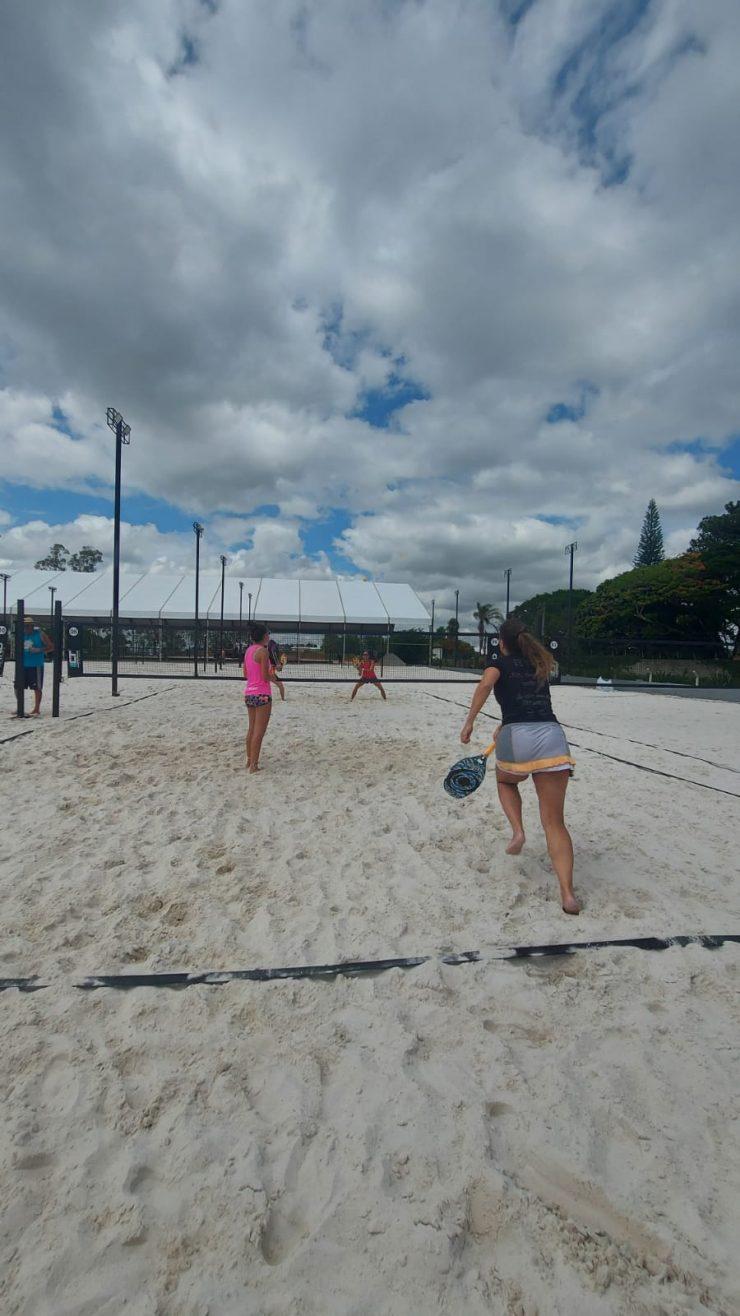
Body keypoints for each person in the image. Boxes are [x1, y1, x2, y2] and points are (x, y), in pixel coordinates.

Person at [460, 617, 579, 914]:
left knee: (505, 781)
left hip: (518, 737)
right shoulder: (540, 665)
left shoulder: (497, 664)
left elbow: (486, 684)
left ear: (502, 643)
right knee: (555, 823)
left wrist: (470, 721)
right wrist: (505, 723)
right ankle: (567, 895)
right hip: (553, 737)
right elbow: (530, 702)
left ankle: (518, 832)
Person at [243, 621, 283, 772]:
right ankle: (254, 765)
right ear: (264, 636)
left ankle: (249, 761)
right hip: (262, 695)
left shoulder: (248, 651)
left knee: (251, 730)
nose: (269, 636)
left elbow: (246, 674)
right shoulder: (263, 652)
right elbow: (265, 676)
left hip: (249, 693)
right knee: (259, 732)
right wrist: (276, 678)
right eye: (268, 634)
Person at [22, 615, 54, 716]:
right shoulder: (21, 635)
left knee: (37, 688)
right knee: (18, 686)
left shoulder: (40, 634)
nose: (26, 628)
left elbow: (51, 647)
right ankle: (20, 707)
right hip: (22, 665)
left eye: (28, 626)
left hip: (36, 665)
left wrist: (39, 650)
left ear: (32, 626)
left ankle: (37, 708)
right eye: (24, 626)